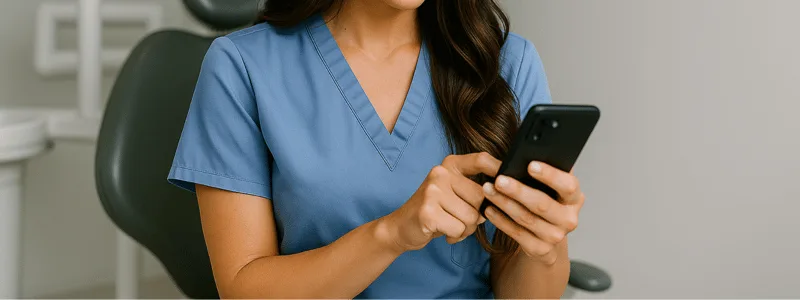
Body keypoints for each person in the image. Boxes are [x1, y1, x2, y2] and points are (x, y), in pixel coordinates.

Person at [167, 0, 586, 298]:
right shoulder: (241, 66)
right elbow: (244, 290)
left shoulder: (507, 63)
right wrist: (393, 233)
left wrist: (545, 248)